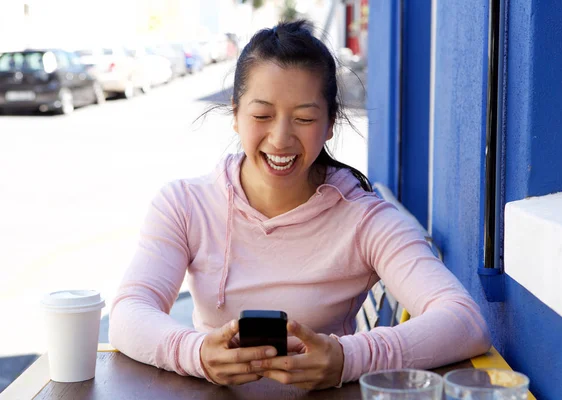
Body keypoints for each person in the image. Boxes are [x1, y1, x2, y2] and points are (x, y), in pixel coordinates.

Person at [109, 20, 491, 390]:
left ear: (329, 125)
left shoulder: (365, 219)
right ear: (236, 115)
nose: (280, 138)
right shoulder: (184, 205)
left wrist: (347, 358)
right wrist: (195, 353)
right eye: (261, 115)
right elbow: (128, 313)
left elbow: (464, 322)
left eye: (305, 118)